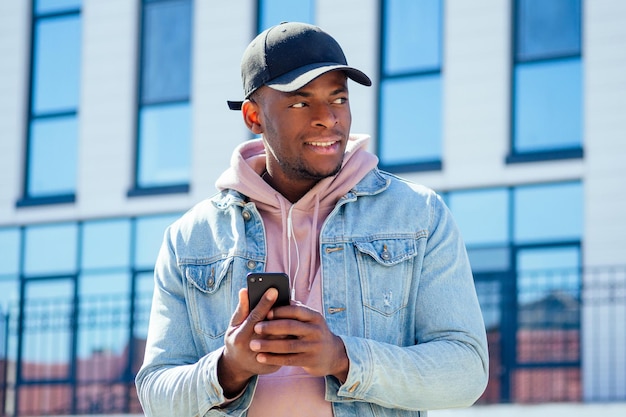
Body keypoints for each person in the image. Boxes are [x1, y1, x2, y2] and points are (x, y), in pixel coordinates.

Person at [135, 22, 488, 417]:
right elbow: (155, 395)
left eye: (338, 99)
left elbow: (467, 371)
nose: (327, 118)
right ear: (254, 116)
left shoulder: (418, 214)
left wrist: (343, 358)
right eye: (301, 103)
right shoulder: (191, 239)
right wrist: (228, 368)